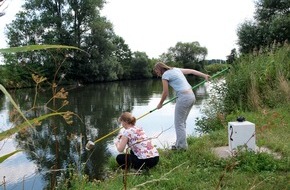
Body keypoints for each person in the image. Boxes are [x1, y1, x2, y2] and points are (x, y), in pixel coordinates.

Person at [153, 62, 210, 150]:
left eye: (156, 71)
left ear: (159, 69)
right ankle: (178, 144)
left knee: (179, 123)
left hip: (184, 98)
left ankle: (182, 148)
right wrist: (204, 75)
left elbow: (165, 92)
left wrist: (160, 104)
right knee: (182, 122)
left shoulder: (165, 75)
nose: (157, 73)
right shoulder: (176, 69)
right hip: (191, 96)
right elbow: (191, 71)